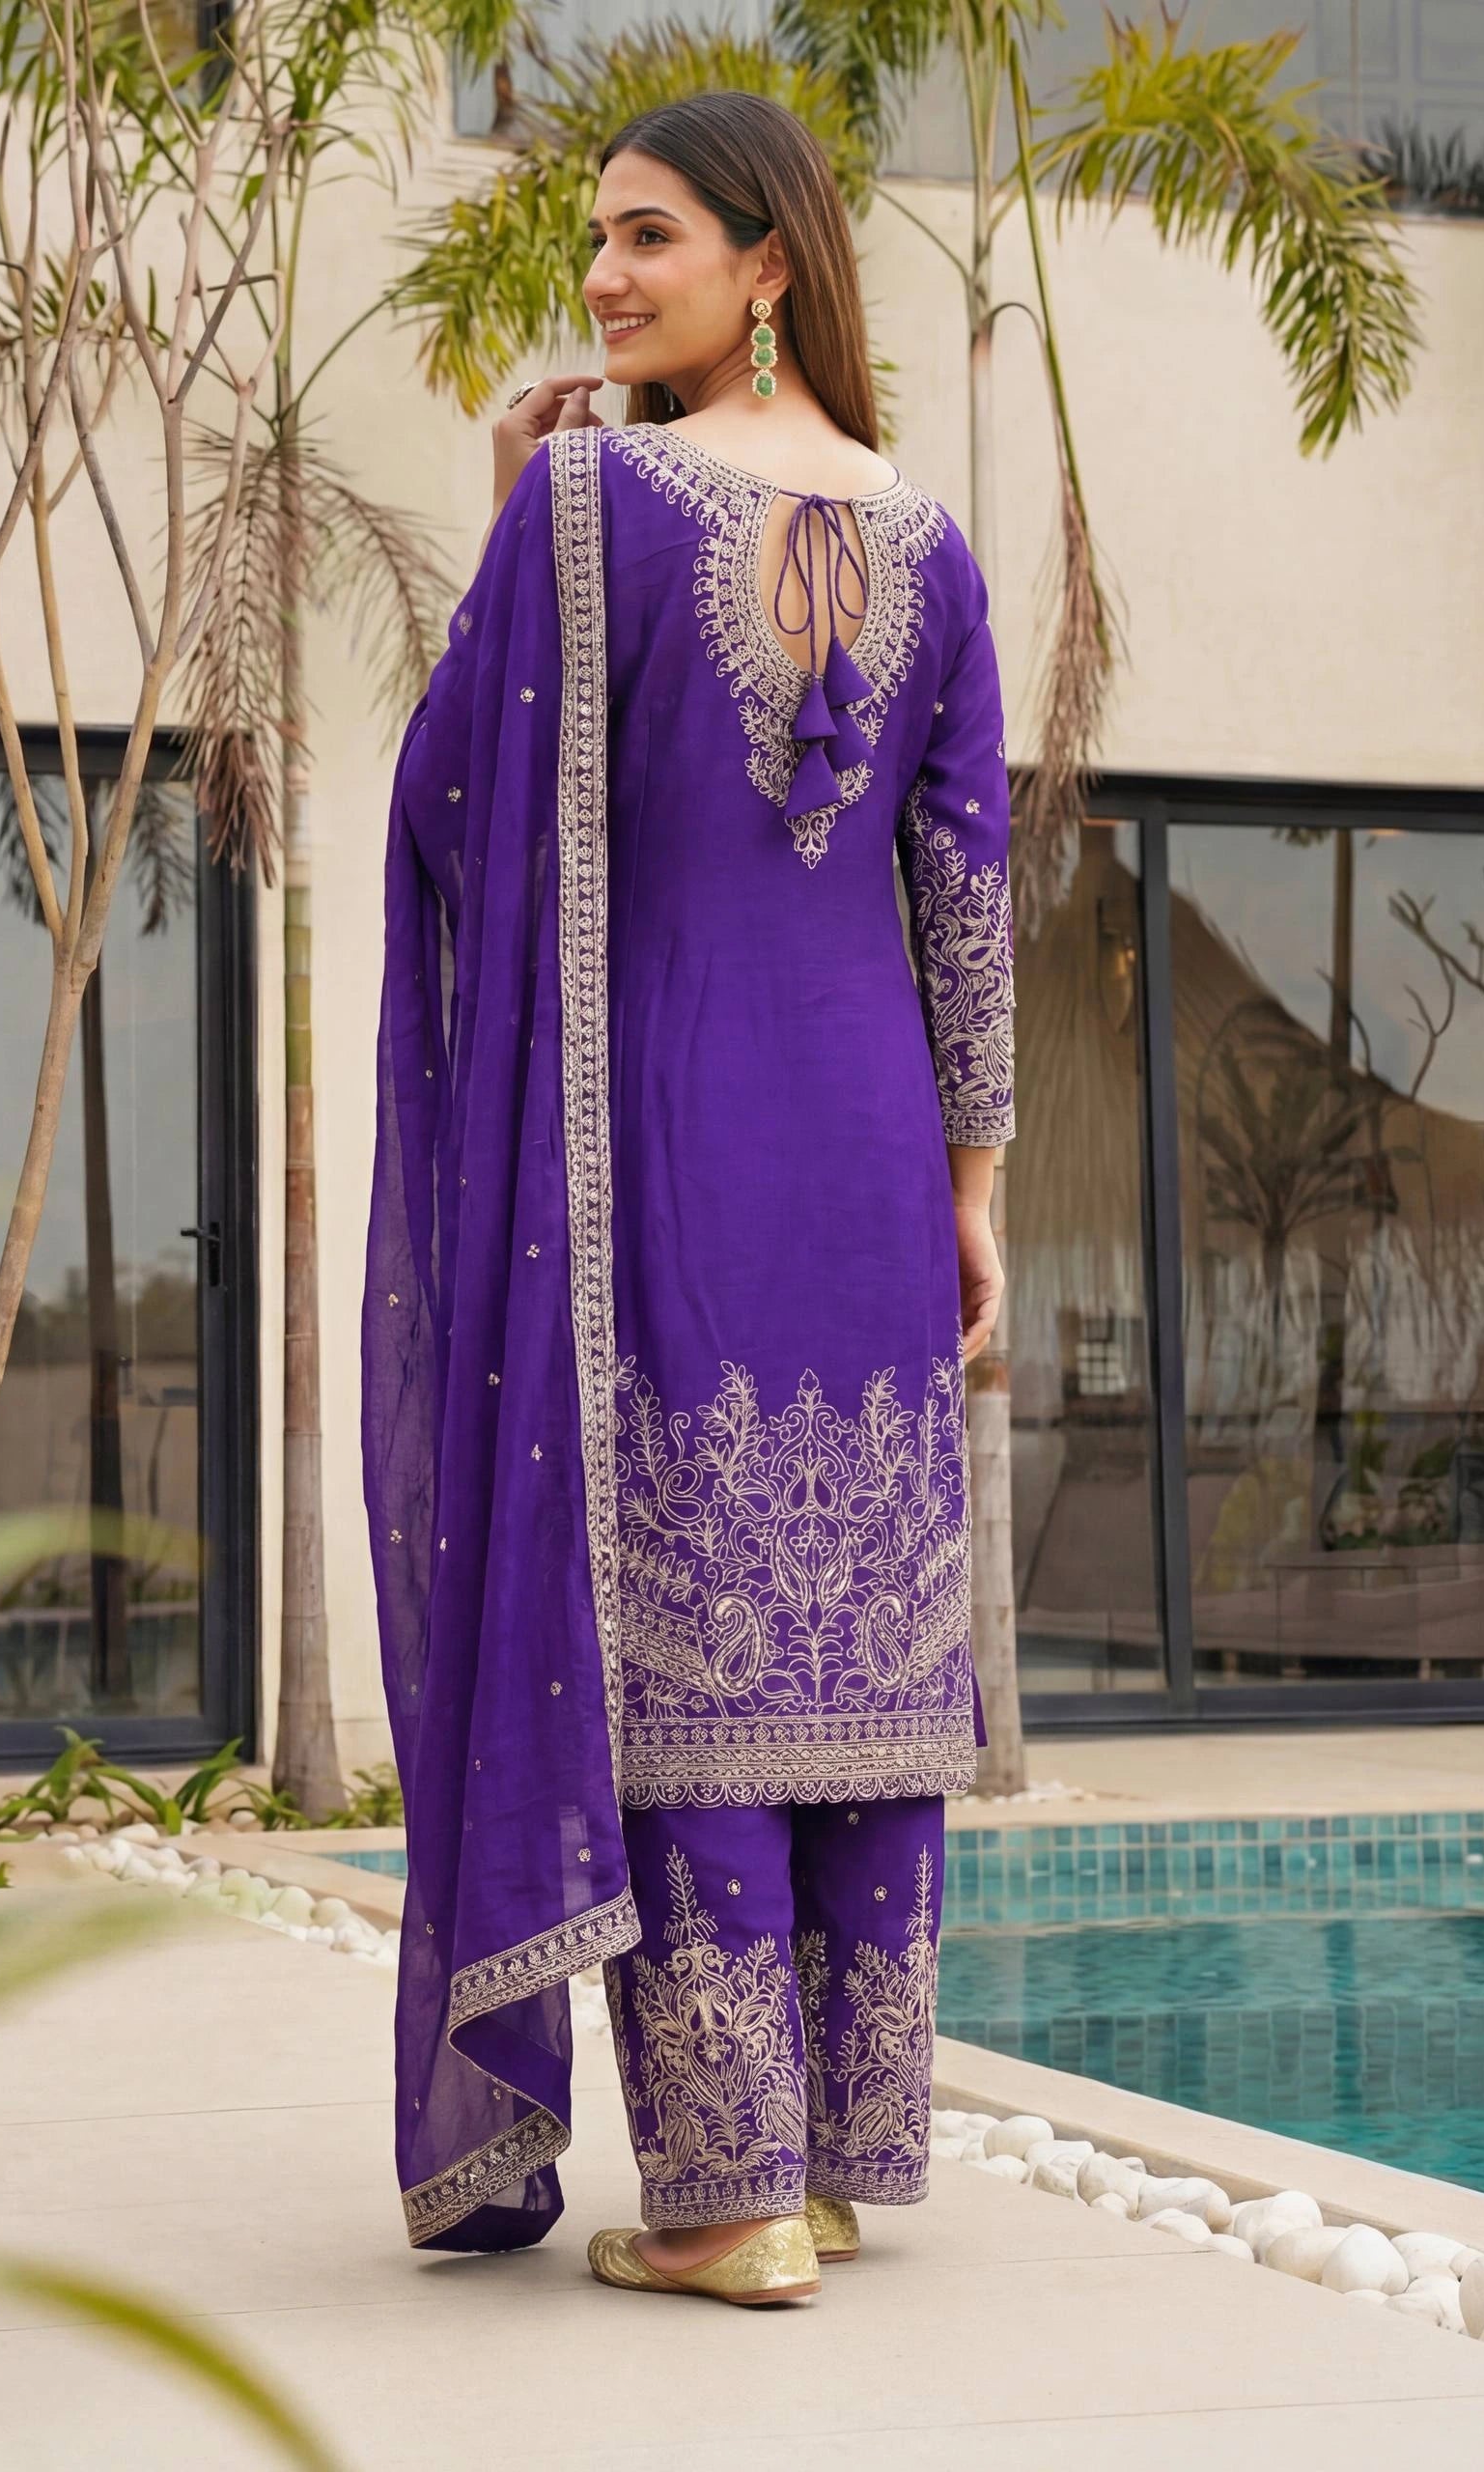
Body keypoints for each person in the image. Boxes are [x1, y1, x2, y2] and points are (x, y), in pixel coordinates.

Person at [361, 89, 1015, 2308]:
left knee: (689, 1639)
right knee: (844, 1637)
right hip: (869, 1148)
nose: (606, 277)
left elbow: (451, 800)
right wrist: (979, 1187)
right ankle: (825, 2161)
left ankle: (729, 2202)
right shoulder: (934, 540)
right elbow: (968, 902)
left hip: (675, 1139)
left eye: (647, 237)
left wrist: (504, 523)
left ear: (768, 259)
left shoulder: (587, 498)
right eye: (598, 240)